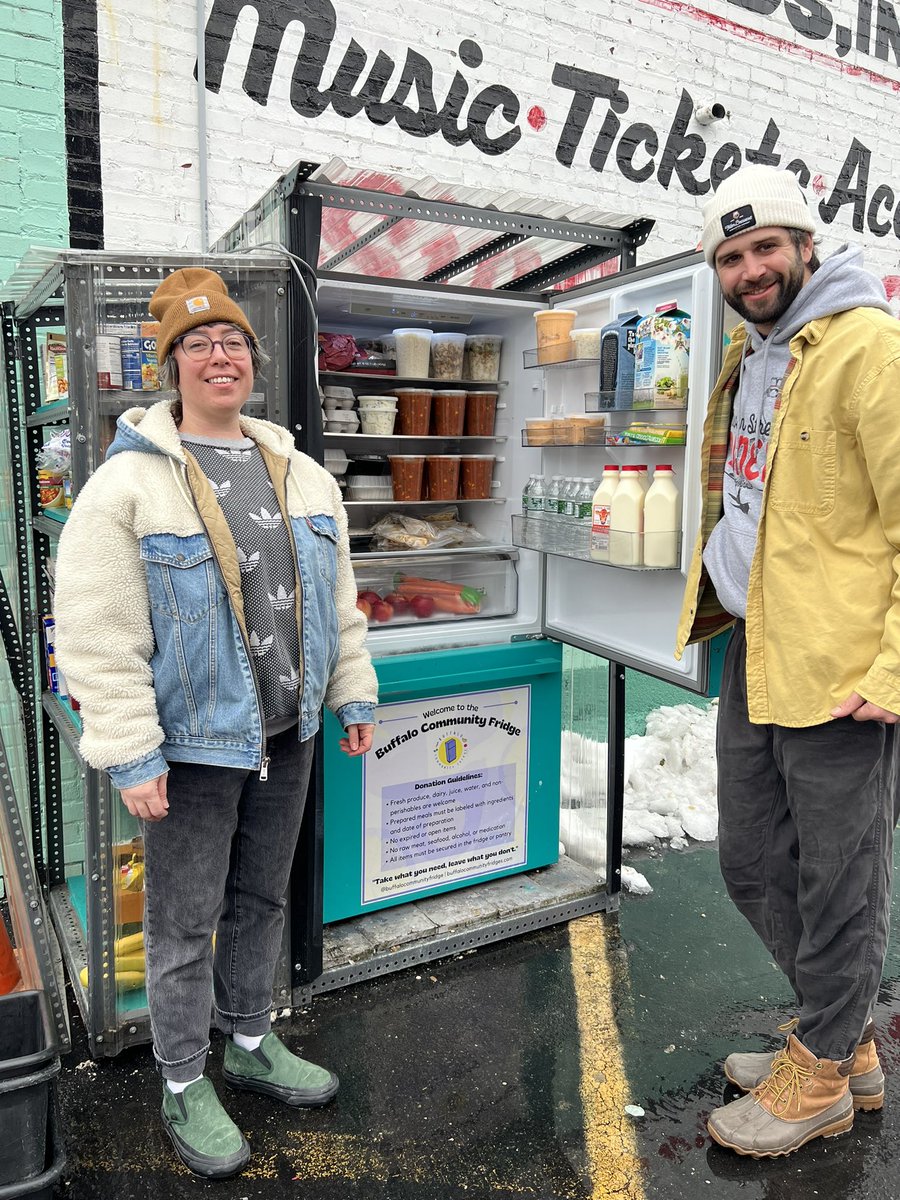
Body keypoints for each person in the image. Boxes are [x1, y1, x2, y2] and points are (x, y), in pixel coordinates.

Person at [54, 268, 378, 1179]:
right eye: (197, 344)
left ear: (253, 360)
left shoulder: (301, 473)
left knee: (262, 899)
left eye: (232, 340)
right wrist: (132, 753)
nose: (218, 355)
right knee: (184, 919)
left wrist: (350, 691)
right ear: (172, 367)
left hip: (287, 732)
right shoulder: (128, 485)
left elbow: (338, 603)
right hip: (192, 747)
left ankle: (249, 1040)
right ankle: (181, 1079)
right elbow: (97, 632)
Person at [675, 164, 900, 1159]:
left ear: (807, 246)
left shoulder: (870, 349)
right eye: (730, 257)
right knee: (754, 860)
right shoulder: (755, 353)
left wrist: (892, 673)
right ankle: (844, 1037)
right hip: (759, 645)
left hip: (842, 671)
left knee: (839, 878)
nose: (750, 269)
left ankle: (822, 1076)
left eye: (766, 246)